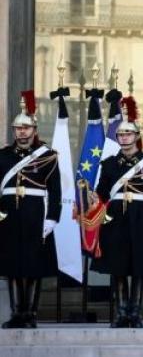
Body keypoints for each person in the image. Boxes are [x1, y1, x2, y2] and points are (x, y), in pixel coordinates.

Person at [91, 98, 143, 328]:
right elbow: (102, 192)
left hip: (141, 216)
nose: (123, 138)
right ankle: (122, 312)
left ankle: (135, 313)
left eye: (128, 134)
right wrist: (92, 197)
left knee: (139, 268)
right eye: (120, 135)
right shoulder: (110, 163)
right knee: (118, 267)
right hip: (116, 217)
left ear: (136, 136)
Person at [0, 92, 61, 329]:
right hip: (9, 216)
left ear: (34, 130)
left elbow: (55, 190)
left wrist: (53, 218)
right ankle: (17, 313)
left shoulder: (47, 157)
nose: (22, 133)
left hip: (36, 214)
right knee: (13, 266)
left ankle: (30, 314)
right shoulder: (3, 156)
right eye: (18, 129)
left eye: (26, 129)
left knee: (33, 267)